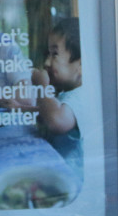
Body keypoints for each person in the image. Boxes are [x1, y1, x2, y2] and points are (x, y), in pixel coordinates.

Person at [31, 18, 83, 173]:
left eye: (54, 54)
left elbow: (56, 121)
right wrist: (20, 109)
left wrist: (42, 86)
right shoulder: (66, 93)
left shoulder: (81, 95)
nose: (47, 62)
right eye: (48, 54)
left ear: (81, 65)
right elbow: (47, 115)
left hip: (71, 181)